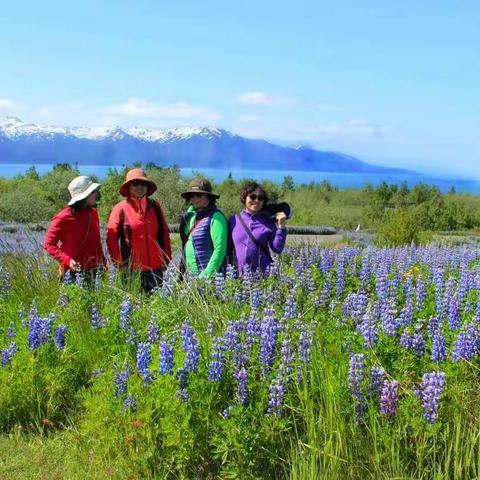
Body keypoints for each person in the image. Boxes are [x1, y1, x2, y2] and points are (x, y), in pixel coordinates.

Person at [106, 168, 171, 293]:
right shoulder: (120, 209)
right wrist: (119, 262)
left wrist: (166, 258)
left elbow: (164, 234)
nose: (140, 187)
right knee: (134, 306)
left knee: (156, 305)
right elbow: (111, 237)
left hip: (156, 267)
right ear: (129, 187)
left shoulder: (155, 206)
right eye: (135, 184)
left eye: (143, 184)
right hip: (131, 269)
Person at [44, 175, 106, 281]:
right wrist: (67, 260)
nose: (96, 194)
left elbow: (96, 241)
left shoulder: (93, 213)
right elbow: (49, 244)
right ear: (84, 196)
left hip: (95, 270)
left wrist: (103, 262)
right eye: (93, 192)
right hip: (73, 272)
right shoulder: (63, 217)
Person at [229, 182, 288, 275]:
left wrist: (281, 227)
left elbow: (277, 249)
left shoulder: (268, 221)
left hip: (263, 276)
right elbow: (228, 249)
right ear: (244, 198)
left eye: (260, 198)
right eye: (252, 197)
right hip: (238, 276)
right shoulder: (234, 220)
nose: (256, 200)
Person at [179, 177, 228, 278]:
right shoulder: (192, 216)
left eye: (199, 195)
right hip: (191, 275)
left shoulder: (216, 217)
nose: (195, 198)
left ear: (209, 197)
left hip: (208, 277)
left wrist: (206, 275)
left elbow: (220, 249)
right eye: (192, 196)